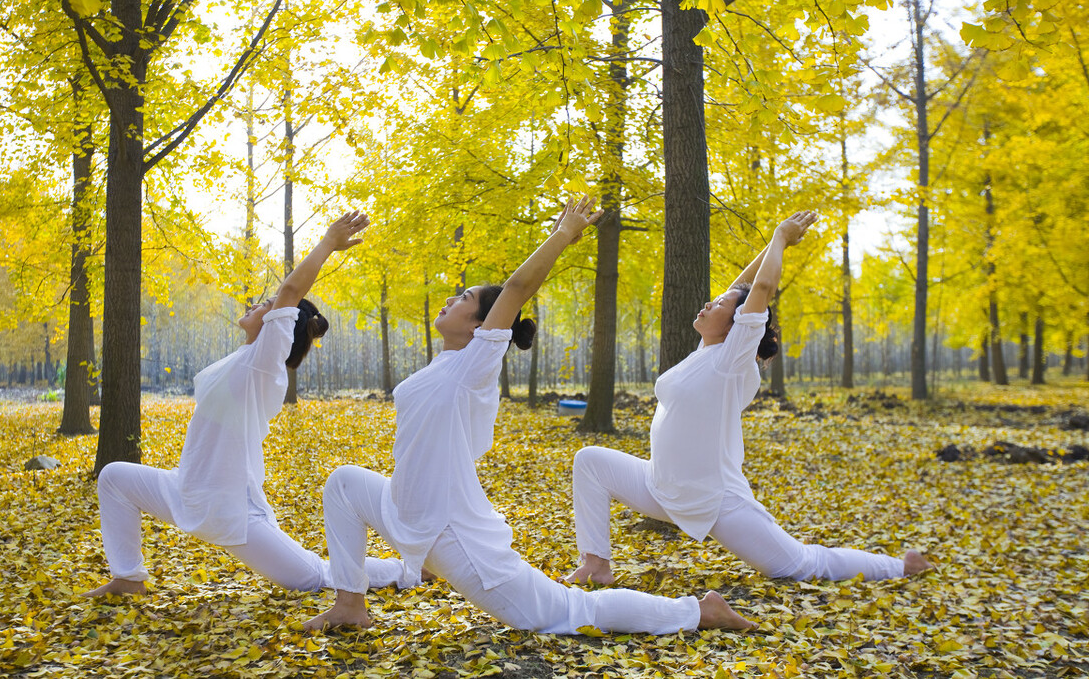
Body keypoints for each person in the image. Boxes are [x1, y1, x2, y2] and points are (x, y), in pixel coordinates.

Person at [302, 197, 755, 634]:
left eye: (463, 298)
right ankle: (349, 604)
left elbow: (517, 289)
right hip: (404, 510)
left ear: (482, 327)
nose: (449, 299)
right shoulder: (443, 366)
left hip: (453, 533)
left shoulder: (474, 365)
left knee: (564, 611)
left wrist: (561, 236)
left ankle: (696, 611)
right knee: (343, 483)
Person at [565, 211, 933, 587]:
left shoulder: (732, 360)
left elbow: (759, 291)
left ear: (737, 325)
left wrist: (780, 237)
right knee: (590, 461)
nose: (708, 304)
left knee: (798, 565)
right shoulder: (706, 350)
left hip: (713, 499)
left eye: (719, 304)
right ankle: (596, 564)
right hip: (659, 485)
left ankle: (900, 567)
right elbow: (744, 284)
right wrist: (767, 251)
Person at [83, 212, 415, 597]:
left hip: (232, 509)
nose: (257, 304)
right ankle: (128, 578)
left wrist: (328, 243)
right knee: (113, 478)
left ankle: (408, 570)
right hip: (185, 490)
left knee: (313, 577)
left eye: (267, 305)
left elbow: (291, 292)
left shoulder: (264, 365)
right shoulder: (242, 359)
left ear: (280, 325)